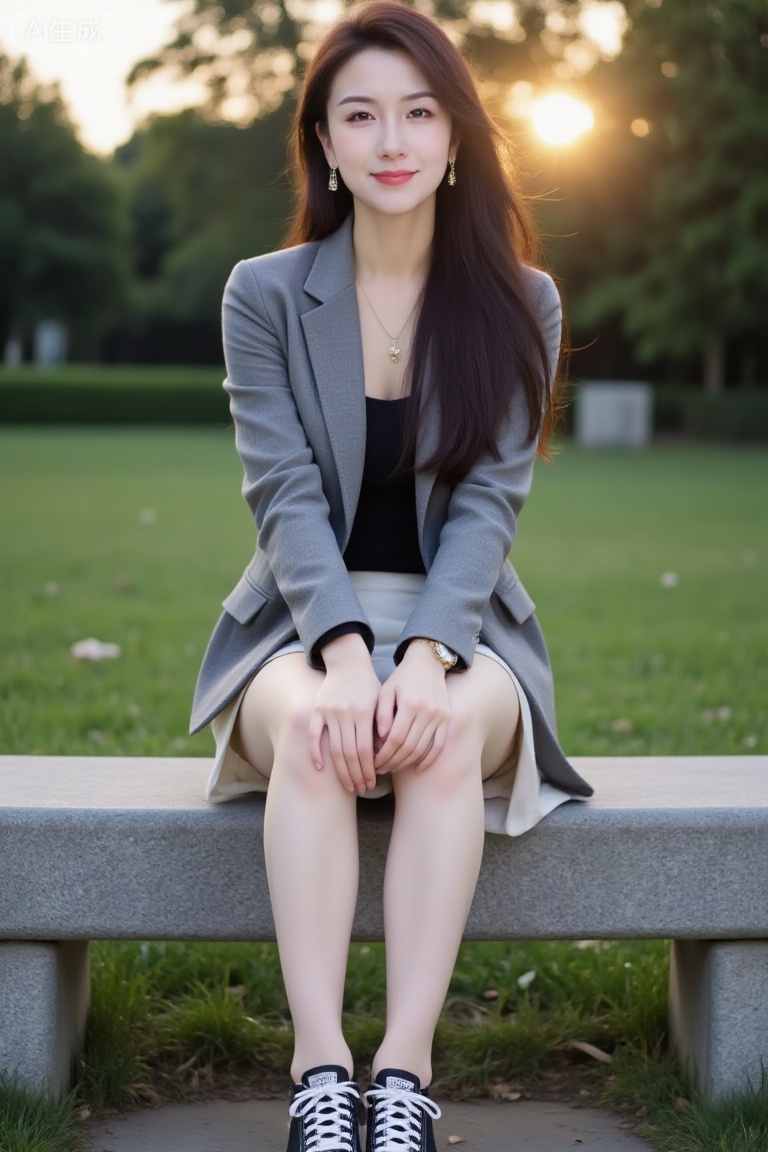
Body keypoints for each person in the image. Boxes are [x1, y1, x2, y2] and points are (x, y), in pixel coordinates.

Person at [190, 2, 594, 1148]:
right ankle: (321, 1069)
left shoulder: (523, 301)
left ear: (459, 138)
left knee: (445, 734)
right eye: (360, 116)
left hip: (464, 629)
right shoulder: (262, 295)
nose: (392, 140)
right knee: (322, 732)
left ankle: (403, 1073)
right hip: (299, 626)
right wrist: (345, 657)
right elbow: (284, 500)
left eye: (420, 113)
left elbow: (490, 506)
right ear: (323, 141)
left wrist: (424, 657)